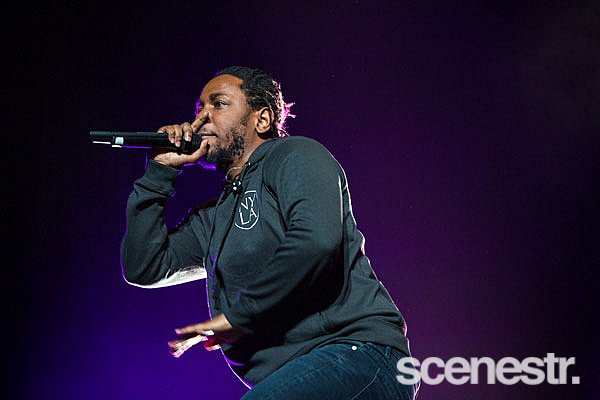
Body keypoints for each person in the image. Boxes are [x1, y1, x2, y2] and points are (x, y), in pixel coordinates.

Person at [121, 66, 418, 399]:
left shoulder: (295, 155)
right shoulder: (214, 217)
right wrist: (158, 173)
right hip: (295, 374)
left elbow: (315, 242)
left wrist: (237, 316)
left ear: (261, 120)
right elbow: (146, 266)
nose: (201, 119)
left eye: (219, 104)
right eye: (199, 109)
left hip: (357, 353)